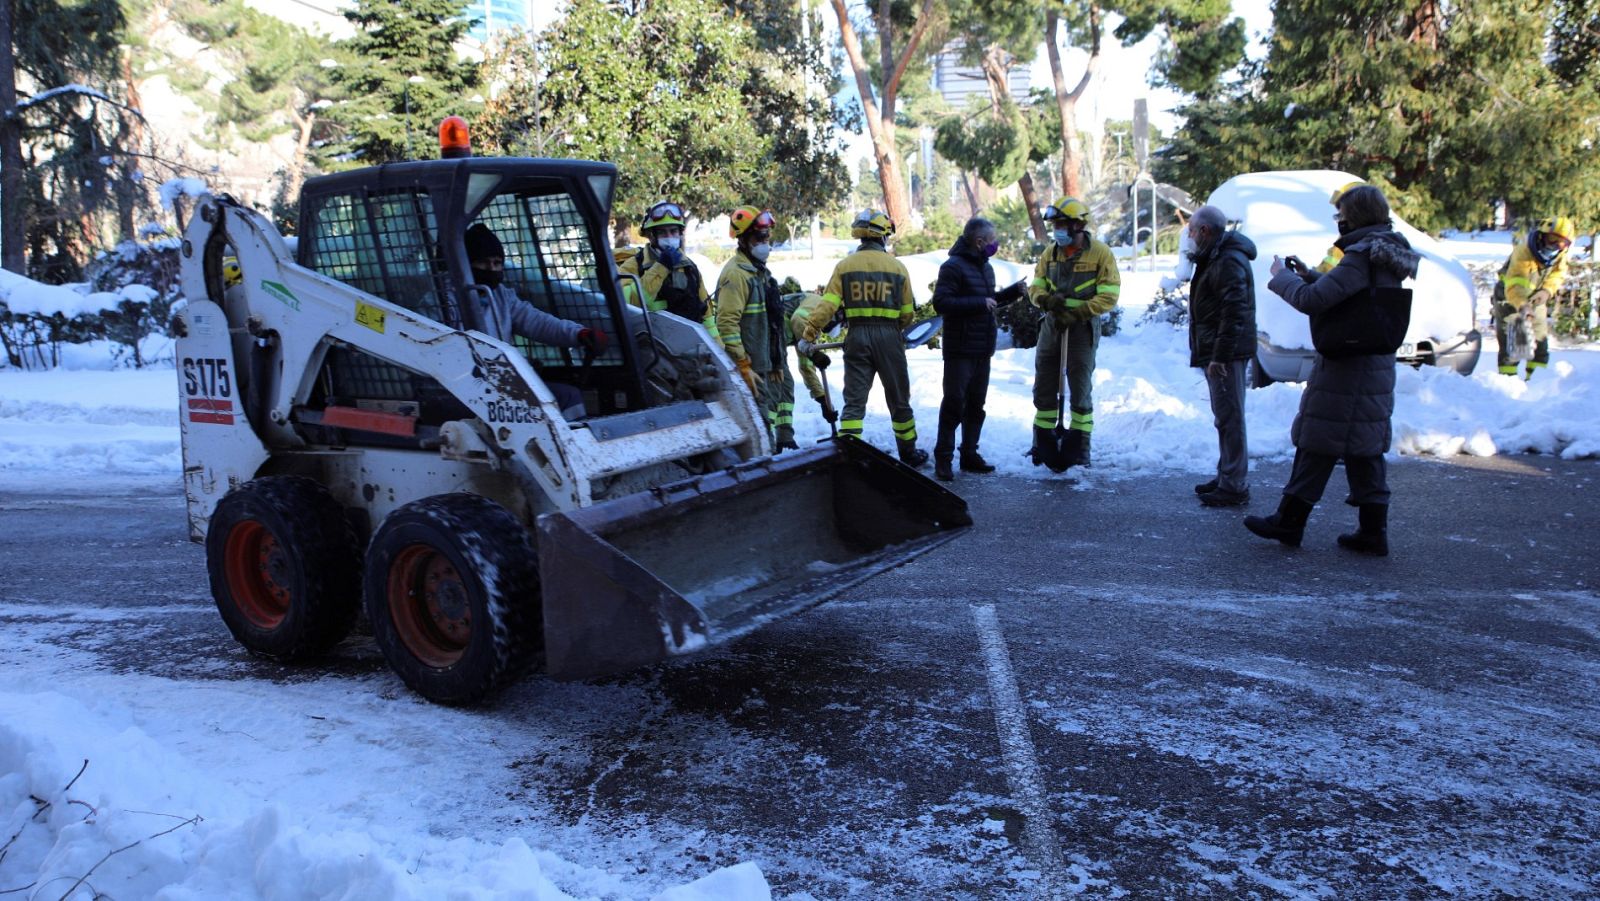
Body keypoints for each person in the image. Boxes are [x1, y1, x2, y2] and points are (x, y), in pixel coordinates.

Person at [1245, 185, 1419, 557]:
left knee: (1318, 440)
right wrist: (1311, 274)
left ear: (1353, 216)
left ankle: (1289, 522)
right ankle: (1373, 532)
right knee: (1364, 447)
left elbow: (1314, 301)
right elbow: (1348, 295)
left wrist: (1283, 277)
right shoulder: (1385, 251)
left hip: (1348, 366)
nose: (1338, 220)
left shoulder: (1360, 256)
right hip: (1372, 363)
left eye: (1341, 213)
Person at [796, 209, 927, 468]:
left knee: (854, 401)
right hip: (890, 337)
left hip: (856, 336)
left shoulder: (845, 267)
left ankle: (848, 454)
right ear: (882, 237)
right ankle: (909, 452)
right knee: (899, 399)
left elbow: (827, 305)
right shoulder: (898, 268)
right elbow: (907, 314)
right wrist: (893, 330)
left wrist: (809, 333)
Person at [465, 223, 608, 418]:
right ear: (466, 264)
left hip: (500, 381)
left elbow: (538, 322)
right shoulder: (445, 300)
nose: (491, 269)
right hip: (467, 386)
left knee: (568, 396)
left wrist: (578, 333)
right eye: (483, 262)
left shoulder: (501, 297)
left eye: (497, 263)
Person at [928, 216, 1025, 481]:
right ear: (979, 241)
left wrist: (1014, 292)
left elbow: (988, 302)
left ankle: (969, 454)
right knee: (954, 404)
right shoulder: (953, 267)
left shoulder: (986, 267)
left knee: (976, 405)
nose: (995, 245)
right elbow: (942, 303)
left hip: (983, 348)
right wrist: (978, 303)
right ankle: (944, 459)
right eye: (992, 241)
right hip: (960, 349)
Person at [1028, 197, 1120, 468]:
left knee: (1079, 386)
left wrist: (1078, 313)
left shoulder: (1100, 254)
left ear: (1078, 225)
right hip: (1053, 325)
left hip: (1082, 328)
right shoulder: (1051, 253)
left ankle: (1081, 448)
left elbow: (1109, 295)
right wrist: (1045, 300)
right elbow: (1035, 287)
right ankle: (1041, 444)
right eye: (1055, 225)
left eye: (1061, 224)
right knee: (1044, 384)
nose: (1057, 230)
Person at [1185, 205, 1258, 508]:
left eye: (1191, 230)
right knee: (1224, 417)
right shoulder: (1216, 255)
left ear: (1205, 231)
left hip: (1225, 353)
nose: (1188, 236)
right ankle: (1227, 474)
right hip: (1218, 350)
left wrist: (1220, 356)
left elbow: (1234, 311)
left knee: (1230, 417)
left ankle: (1234, 484)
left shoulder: (1227, 260)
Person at [714, 206, 790, 447]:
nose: (765, 243)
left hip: (766, 365)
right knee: (759, 427)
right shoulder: (737, 275)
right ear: (744, 240)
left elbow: (772, 322)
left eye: (767, 236)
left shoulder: (760, 273)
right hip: (751, 367)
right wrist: (743, 365)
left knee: (770, 416)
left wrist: (776, 359)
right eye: (759, 237)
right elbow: (727, 324)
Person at [618, 200, 720, 343]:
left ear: (680, 234)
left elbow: (707, 317)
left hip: (688, 350)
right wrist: (661, 267)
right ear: (651, 235)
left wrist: (719, 350)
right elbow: (628, 305)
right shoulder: (633, 266)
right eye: (662, 232)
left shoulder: (690, 268)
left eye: (673, 231)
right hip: (654, 349)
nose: (669, 237)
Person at [1494, 217, 1575, 379]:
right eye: (1553, 239)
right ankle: (1507, 384)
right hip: (1509, 298)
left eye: (1561, 243)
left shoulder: (1560, 255)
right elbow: (1515, 284)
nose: (1555, 246)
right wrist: (1523, 306)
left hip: (1536, 299)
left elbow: (1558, 275)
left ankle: (1536, 381)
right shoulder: (1524, 252)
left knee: (1540, 343)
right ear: (1542, 235)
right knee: (1513, 346)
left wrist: (1546, 291)